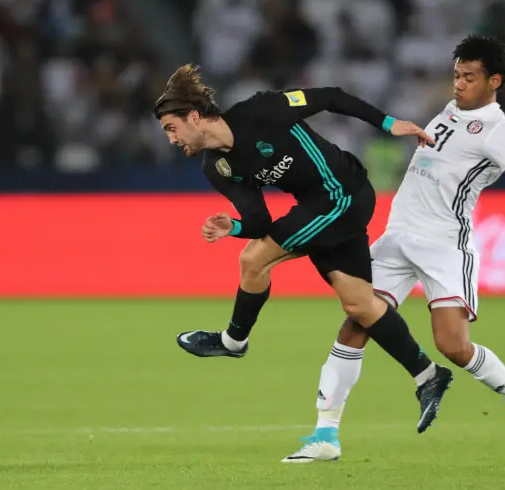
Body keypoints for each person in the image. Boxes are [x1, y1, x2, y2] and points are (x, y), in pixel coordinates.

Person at [152, 64, 455, 459]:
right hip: (317, 209)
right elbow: (259, 220)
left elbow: (329, 95)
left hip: (343, 193)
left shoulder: (262, 110)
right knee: (359, 304)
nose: (171, 139)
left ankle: (233, 341)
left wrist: (387, 122)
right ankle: (428, 375)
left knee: (254, 260)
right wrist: (235, 225)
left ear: (194, 117)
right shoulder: (218, 167)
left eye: (172, 128)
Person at [284, 35, 505, 463]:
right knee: (355, 324)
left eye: (470, 77)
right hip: (399, 235)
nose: (459, 84)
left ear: (494, 81)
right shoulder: (451, 110)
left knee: (453, 346)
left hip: (444, 245)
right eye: (457, 75)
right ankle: (325, 434)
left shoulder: (499, 129)